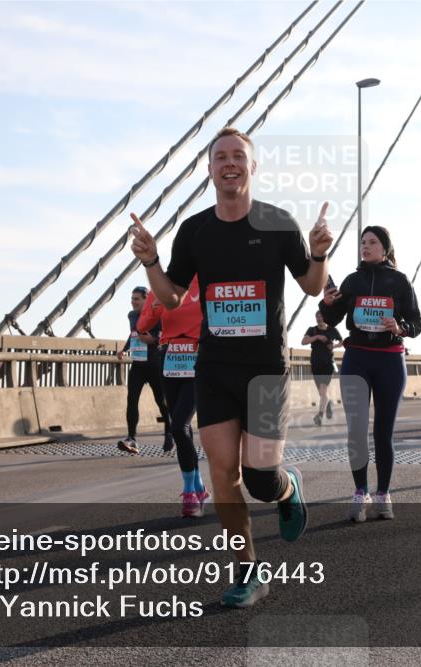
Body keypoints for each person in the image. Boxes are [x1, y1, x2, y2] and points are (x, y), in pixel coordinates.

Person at [128, 127, 332, 608]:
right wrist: (152, 261)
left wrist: (320, 251)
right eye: (220, 157)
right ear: (210, 169)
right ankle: (247, 569)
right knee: (222, 471)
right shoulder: (195, 230)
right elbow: (172, 295)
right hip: (215, 366)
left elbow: (310, 284)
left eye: (238, 155)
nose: (229, 163)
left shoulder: (278, 223)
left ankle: (287, 489)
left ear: (253, 166)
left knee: (260, 477)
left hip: (264, 369)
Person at [321, 226, 421, 522]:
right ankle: (360, 491)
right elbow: (333, 317)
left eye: (372, 242)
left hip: (390, 361)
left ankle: (384, 493)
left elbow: (418, 320)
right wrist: (327, 304)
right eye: (362, 242)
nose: (365, 247)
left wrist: (401, 328)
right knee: (355, 431)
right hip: (356, 359)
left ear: (385, 247)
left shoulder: (400, 281)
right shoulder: (353, 280)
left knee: (382, 432)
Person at [138, 276, 209, 517]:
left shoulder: (209, 279)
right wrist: (156, 305)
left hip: (198, 357)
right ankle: (199, 487)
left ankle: (190, 492)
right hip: (169, 357)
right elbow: (142, 325)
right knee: (180, 427)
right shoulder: (164, 284)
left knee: (179, 426)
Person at [116, 286, 172, 454]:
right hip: (138, 365)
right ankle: (131, 439)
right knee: (131, 400)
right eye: (132, 299)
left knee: (161, 402)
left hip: (155, 365)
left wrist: (153, 340)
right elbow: (134, 333)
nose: (133, 302)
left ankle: (169, 433)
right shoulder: (132, 315)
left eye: (136, 299)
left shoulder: (158, 315)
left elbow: (164, 337)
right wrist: (124, 349)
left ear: (146, 300)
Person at [301, 311, 343, 426]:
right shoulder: (312, 330)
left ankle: (319, 415)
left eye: (321, 316)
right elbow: (303, 342)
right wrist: (317, 337)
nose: (319, 318)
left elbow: (342, 342)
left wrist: (333, 346)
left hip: (328, 364)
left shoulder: (332, 330)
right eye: (317, 316)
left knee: (323, 390)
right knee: (321, 392)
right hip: (315, 364)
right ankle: (328, 403)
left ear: (325, 317)